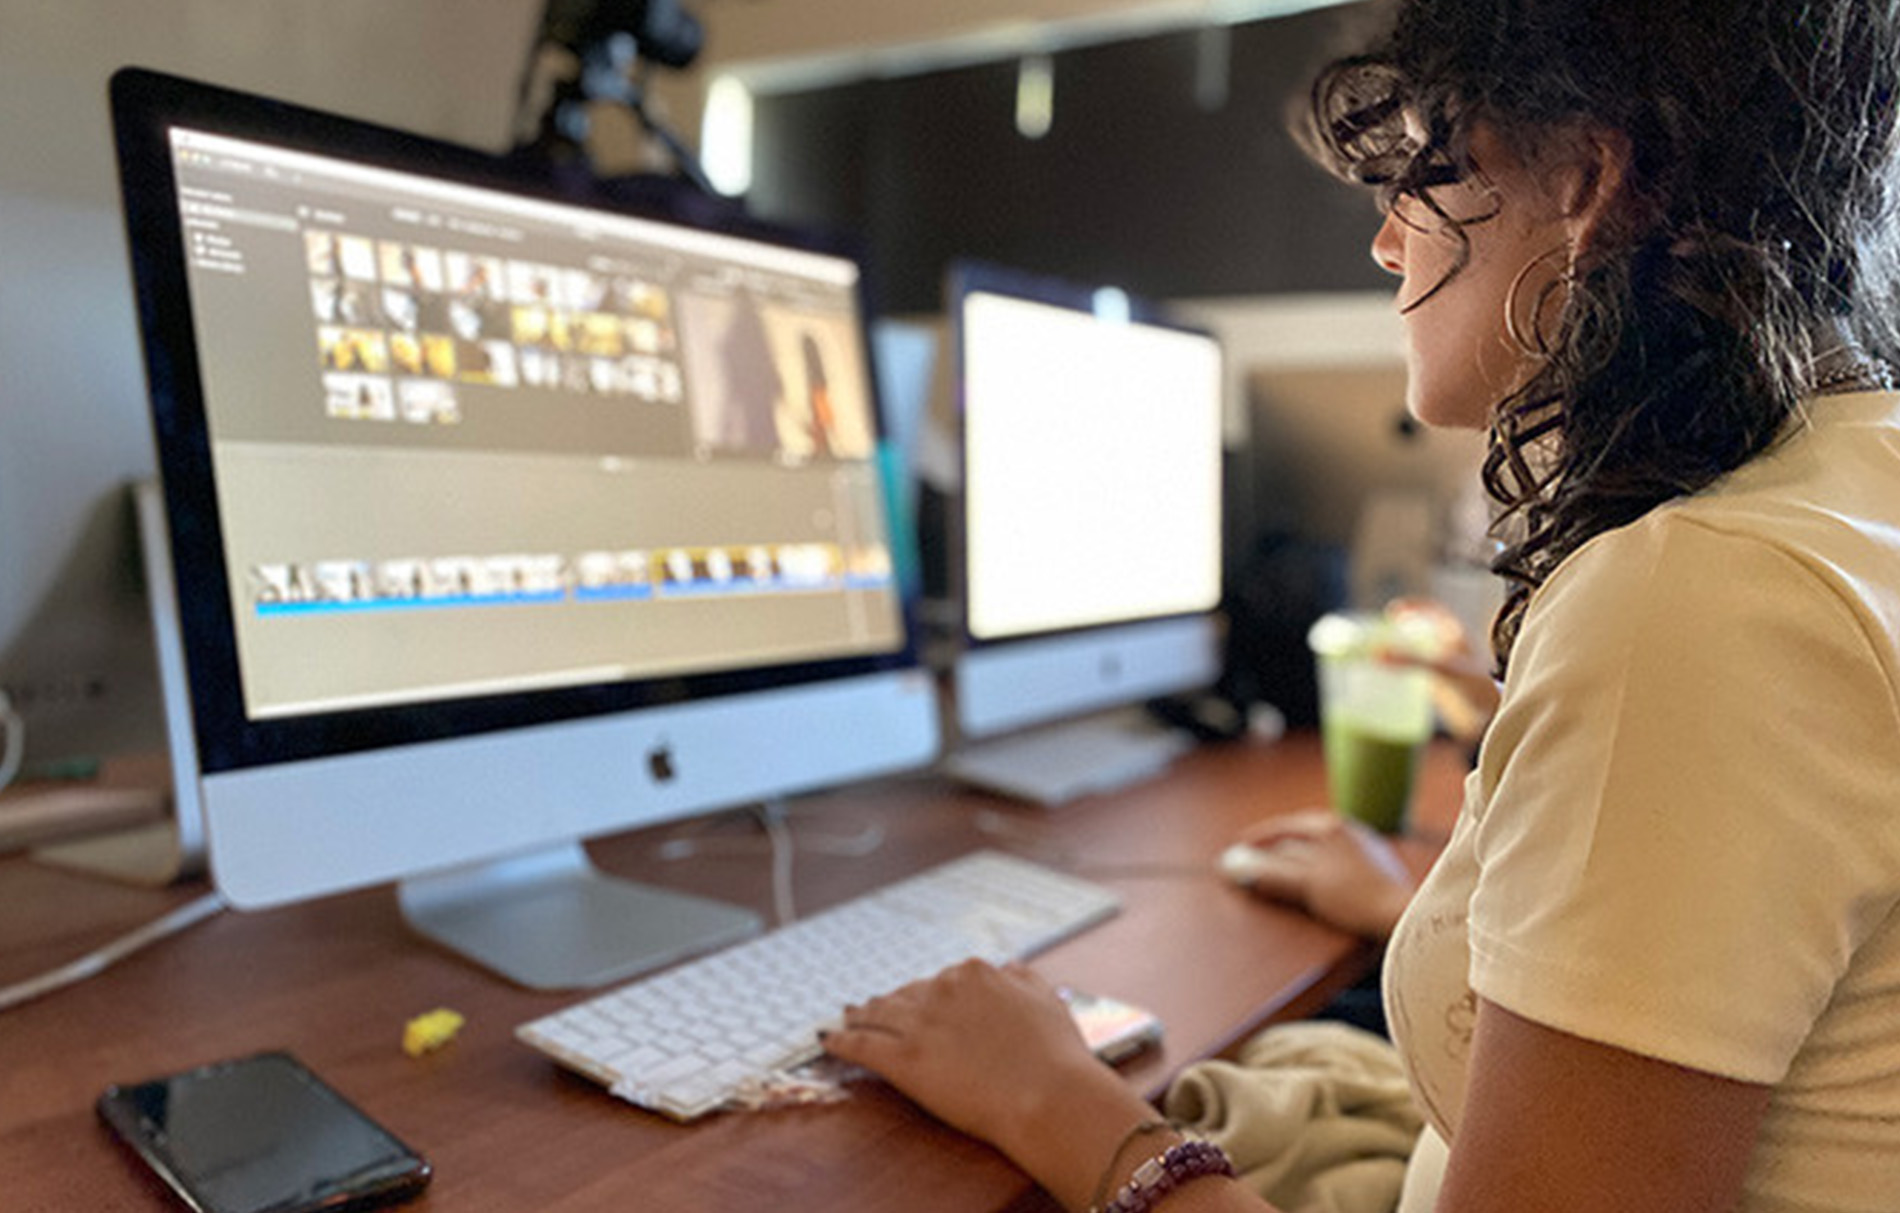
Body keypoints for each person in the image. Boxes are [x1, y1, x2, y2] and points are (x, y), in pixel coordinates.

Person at [821, 1, 1900, 1210]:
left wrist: (1052, 1097)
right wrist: (1443, 922)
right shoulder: (1853, 485)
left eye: (1423, 173)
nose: (1388, 243)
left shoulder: (1697, 599)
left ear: (1588, 183)